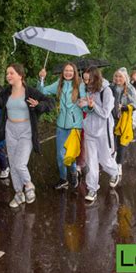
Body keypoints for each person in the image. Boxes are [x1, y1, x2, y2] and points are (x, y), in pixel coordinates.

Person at [0, 63, 54, 208]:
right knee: (13, 164)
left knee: (20, 164)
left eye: (11, 73)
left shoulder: (30, 92)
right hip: (10, 130)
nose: (8, 76)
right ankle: (19, 194)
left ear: (20, 75)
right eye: (7, 73)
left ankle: (29, 184)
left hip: (26, 130)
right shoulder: (6, 92)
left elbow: (49, 103)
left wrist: (39, 105)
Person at [37, 62, 86, 190]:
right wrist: (41, 78)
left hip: (75, 125)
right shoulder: (59, 84)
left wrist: (86, 104)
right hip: (60, 124)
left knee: (70, 153)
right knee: (60, 155)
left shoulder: (80, 85)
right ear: (62, 72)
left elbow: (87, 105)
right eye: (66, 71)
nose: (68, 73)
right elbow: (42, 91)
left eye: (71, 71)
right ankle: (63, 179)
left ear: (74, 72)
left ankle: (74, 174)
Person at [78, 67, 120, 202]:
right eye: (84, 79)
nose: (85, 82)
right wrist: (85, 105)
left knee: (104, 159)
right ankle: (92, 188)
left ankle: (114, 172)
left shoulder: (106, 91)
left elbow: (105, 113)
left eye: (88, 79)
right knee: (91, 161)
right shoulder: (87, 89)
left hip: (103, 130)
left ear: (95, 78)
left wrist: (93, 105)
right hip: (90, 129)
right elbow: (89, 110)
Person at [110, 67, 136, 175]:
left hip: (124, 120)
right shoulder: (111, 88)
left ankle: (119, 164)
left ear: (125, 78)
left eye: (120, 77)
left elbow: (134, 105)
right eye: (116, 76)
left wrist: (124, 108)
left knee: (122, 142)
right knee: (112, 142)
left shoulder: (130, 89)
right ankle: (114, 155)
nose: (118, 79)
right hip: (112, 119)